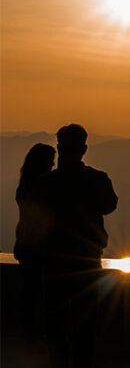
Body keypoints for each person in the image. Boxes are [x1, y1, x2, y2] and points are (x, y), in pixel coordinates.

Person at [39, 123, 118, 368]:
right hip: (87, 263)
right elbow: (110, 204)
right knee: (84, 330)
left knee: (56, 329)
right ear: (84, 149)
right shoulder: (97, 179)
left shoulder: (46, 183)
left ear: (59, 148)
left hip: (54, 264)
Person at [14, 142, 57, 338]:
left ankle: (28, 333)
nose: (53, 165)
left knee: (29, 292)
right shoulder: (44, 186)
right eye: (51, 161)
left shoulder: (24, 185)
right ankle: (35, 334)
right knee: (40, 293)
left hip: (24, 244)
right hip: (40, 247)